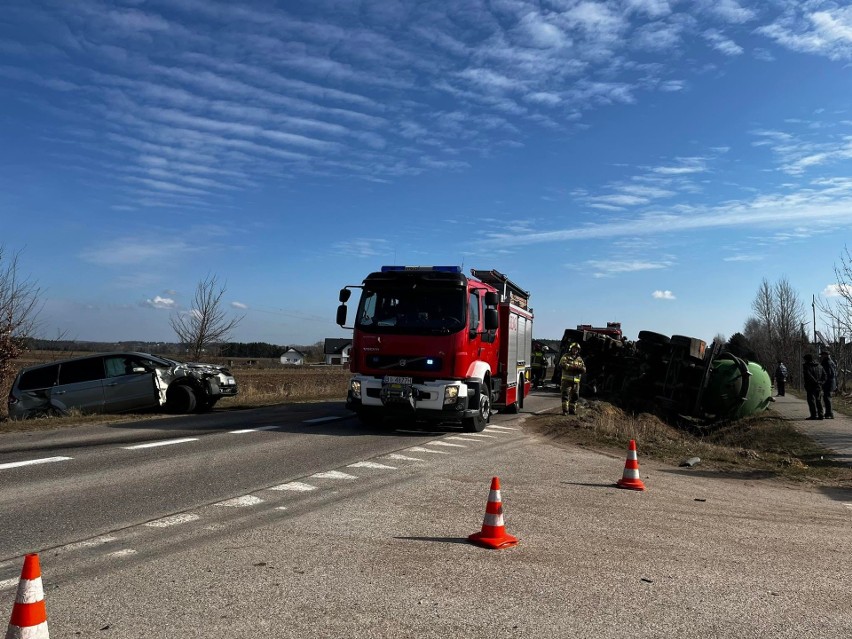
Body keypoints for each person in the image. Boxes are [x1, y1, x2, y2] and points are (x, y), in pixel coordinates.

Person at [559, 342, 586, 416]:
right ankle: (565, 411)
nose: (575, 351)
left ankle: (572, 410)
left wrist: (581, 369)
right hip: (566, 381)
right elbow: (562, 364)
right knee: (565, 396)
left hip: (576, 382)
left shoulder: (579, 359)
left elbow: (584, 368)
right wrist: (573, 367)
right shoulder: (566, 356)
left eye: (577, 349)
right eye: (574, 349)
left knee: (575, 397)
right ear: (571, 349)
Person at [802, 353, 826, 420]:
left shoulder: (806, 366)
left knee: (811, 401)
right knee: (818, 400)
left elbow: (809, 376)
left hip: (810, 386)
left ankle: (814, 415)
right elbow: (825, 375)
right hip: (818, 386)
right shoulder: (819, 366)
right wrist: (821, 382)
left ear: (807, 359)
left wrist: (815, 382)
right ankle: (821, 415)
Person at [820, 351, 837, 419]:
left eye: (822, 355)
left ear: (825, 355)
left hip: (828, 382)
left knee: (827, 398)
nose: (821, 356)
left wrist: (823, 381)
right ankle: (828, 413)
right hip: (831, 382)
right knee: (827, 397)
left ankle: (829, 413)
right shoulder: (831, 362)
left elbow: (828, 373)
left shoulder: (827, 362)